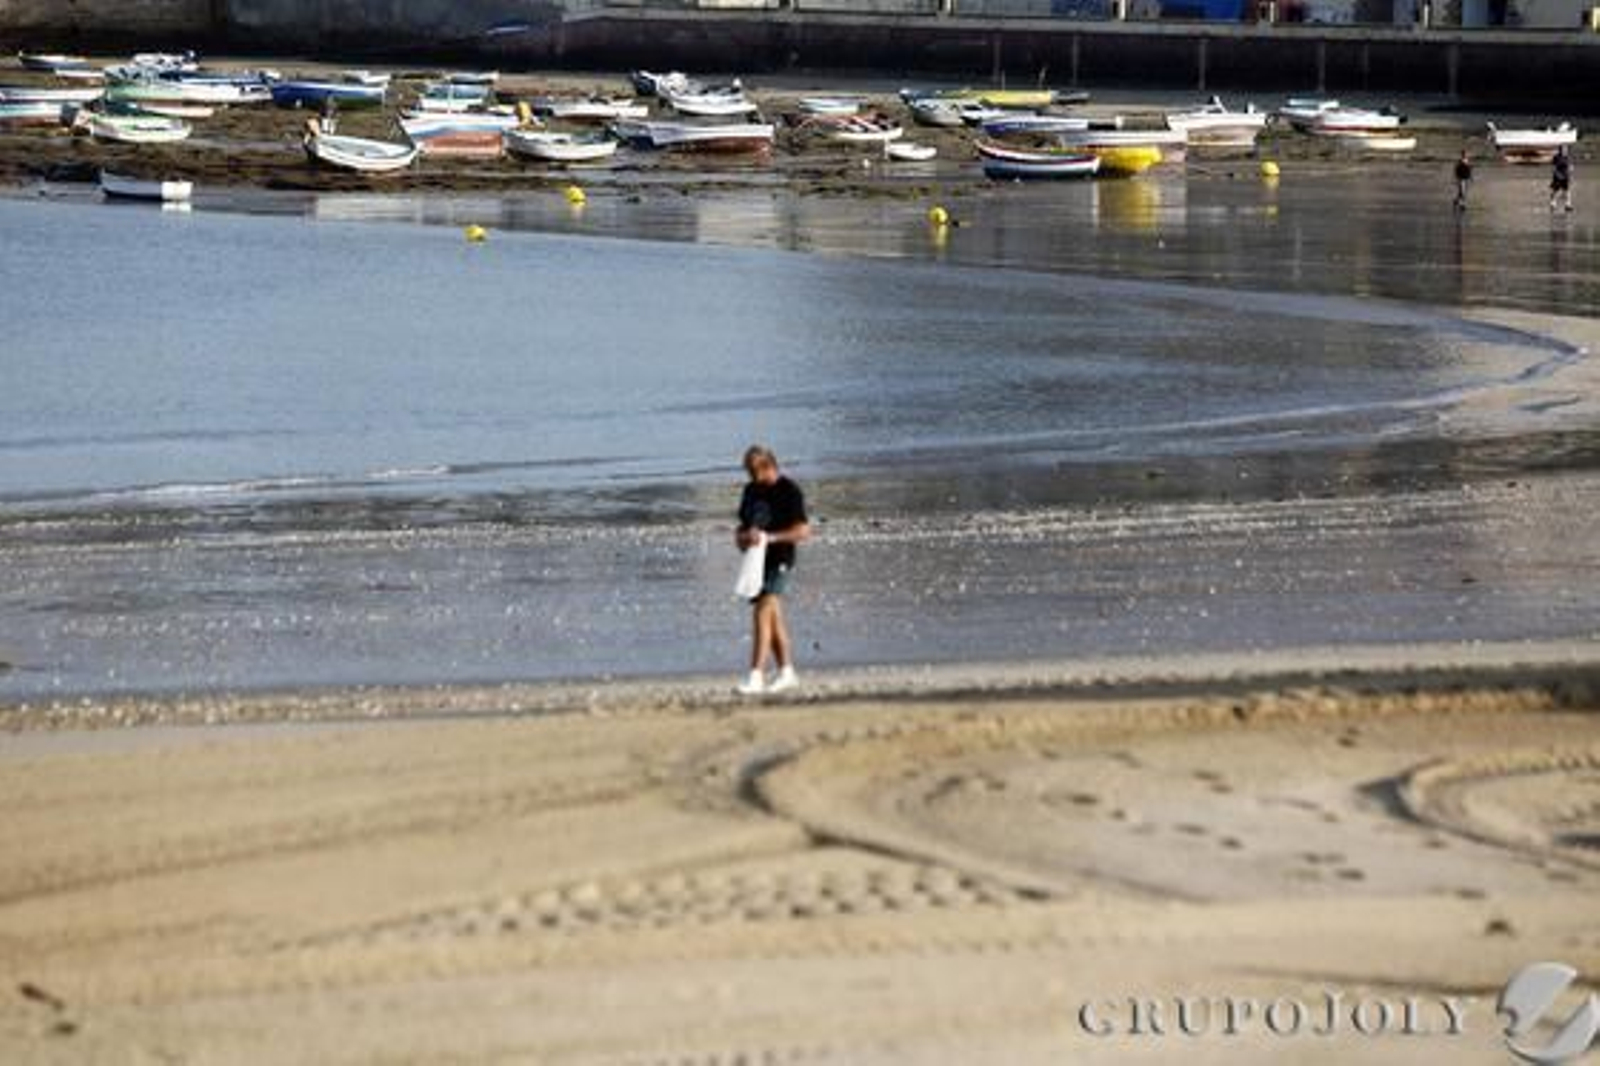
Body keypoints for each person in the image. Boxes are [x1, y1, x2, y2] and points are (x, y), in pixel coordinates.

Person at [735, 445, 810, 695]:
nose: (751, 477)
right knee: (774, 618)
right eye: (748, 471)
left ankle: (756, 676)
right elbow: (742, 529)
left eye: (753, 470)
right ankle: (787, 673)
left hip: (780, 558)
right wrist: (745, 537)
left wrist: (770, 538)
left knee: (762, 611)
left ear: (768, 466)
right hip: (755, 562)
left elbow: (803, 531)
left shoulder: (789, 491)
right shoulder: (750, 491)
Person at [1551, 146, 1573, 212]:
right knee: (1555, 190)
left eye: (1566, 150)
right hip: (1558, 176)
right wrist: (1557, 175)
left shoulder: (1567, 157)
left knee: (1567, 191)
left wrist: (1570, 170)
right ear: (1560, 150)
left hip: (1565, 176)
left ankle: (1568, 205)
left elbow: (1569, 166)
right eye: (1563, 149)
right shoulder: (1557, 157)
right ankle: (1553, 203)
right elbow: (1554, 167)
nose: (1565, 151)